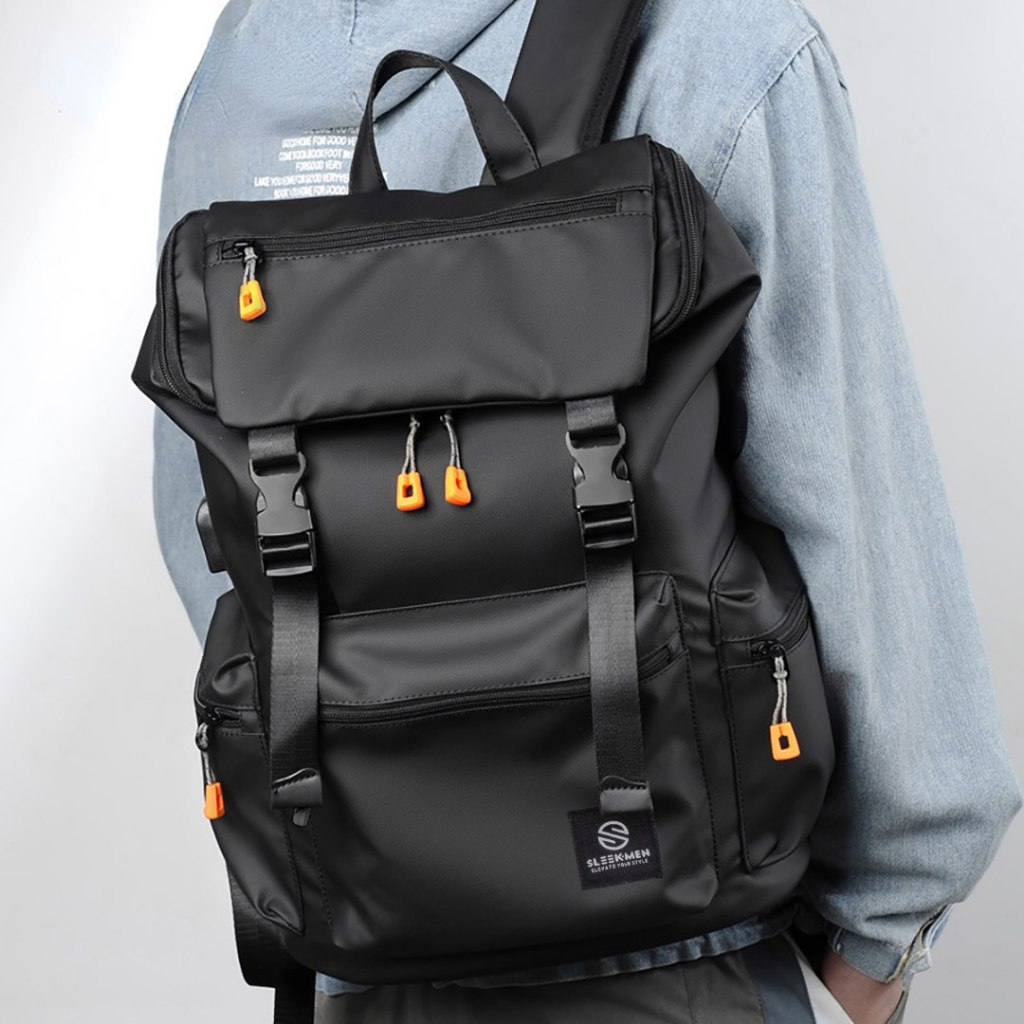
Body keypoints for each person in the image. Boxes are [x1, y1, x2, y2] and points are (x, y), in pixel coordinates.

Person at [150, 2, 1021, 1022]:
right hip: (688, 948)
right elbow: (860, 539)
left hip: (361, 943)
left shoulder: (239, 77)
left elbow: (207, 536)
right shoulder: (714, 37)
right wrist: (878, 945)